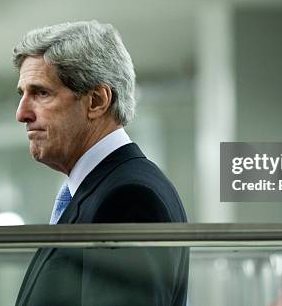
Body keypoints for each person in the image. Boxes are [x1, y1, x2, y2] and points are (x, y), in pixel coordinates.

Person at [12, 21, 189, 306]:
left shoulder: (129, 197)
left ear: (96, 101)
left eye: (41, 93)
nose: (22, 114)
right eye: (22, 94)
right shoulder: (103, 189)